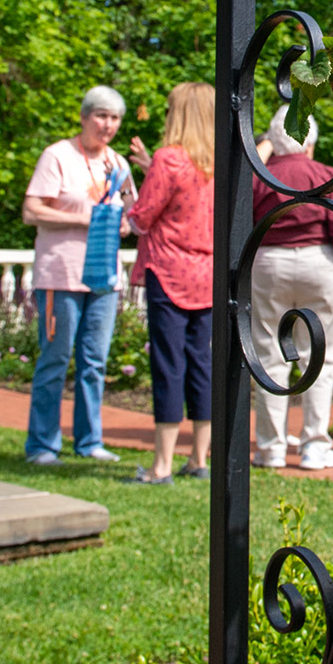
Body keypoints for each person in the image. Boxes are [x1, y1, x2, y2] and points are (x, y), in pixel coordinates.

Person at [22, 86, 134, 466]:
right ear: (85, 117)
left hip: (103, 277)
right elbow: (32, 210)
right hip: (61, 275)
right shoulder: (57, 155)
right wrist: (83, 218)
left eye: (115, 118)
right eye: (101, 116)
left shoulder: (118, 164)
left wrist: (121, 225)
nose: (108, 125)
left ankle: (89, 442)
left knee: (95, 360)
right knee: (55, 359)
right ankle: (42, 445)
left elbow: (132, 214)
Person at [249, 111, 333, 470]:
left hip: (268, 262)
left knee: (269, 354)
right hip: (318, 263)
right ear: (309, 142)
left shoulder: (260, 177)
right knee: (320, 357)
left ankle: (271, 448)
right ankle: (313, 445)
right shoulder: (323, 174)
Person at [126, 83, 216, 484]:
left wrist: (130, 202)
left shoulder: (169, 158)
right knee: (201, 364)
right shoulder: (218, 161)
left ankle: (162, 464)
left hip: (168, 270)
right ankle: (199, 458)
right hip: (207, 274)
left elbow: (142, 217)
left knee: (168, 364)